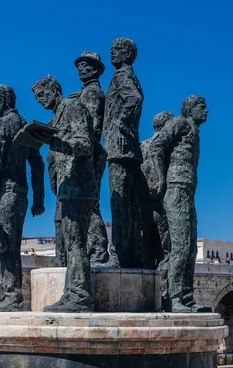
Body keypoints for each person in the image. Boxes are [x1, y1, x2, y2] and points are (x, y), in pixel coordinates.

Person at [31, 75, 96, 312]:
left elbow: (84, 144)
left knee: (76, 242)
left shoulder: (72, 107)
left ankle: (79, 296)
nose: (39, 101)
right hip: (68, 189)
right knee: (71, 242)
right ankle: (73, 293)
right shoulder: (57, 115)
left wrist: (53, 141)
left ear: (54, 89)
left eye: (41, 95)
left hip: (79, 186)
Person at [0, 85, 45, 312]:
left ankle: (12, 296)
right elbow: (37, 165)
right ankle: (13, 295)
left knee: (6, 247)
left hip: (6, 193)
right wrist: (39, 199)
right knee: (14, 244)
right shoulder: (26, 126)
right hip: (23, 194)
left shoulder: (1, 126)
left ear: (3, 100)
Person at [152, 95, 211, 313]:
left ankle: (186, 298)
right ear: (189, 109)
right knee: (180, 246)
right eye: (202, 107)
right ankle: (173, 298)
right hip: (175, 189)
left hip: (188, 191)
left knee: (191, 249)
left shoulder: (195, 132)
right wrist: (161, 178)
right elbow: (157, 146)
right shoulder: (179, 123)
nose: (207, 111)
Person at [103, 38, 144, 269]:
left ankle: (117, 255)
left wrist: (120, 122)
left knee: (118, 203)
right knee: (130, 206)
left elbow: (133, 99)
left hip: (119, 149)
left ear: (126, 53)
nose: (112, 53)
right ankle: (131, 254)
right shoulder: (132, 76)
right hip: (130, 150)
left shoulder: (120, 76)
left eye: (115, 50)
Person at [70, 51, 110, 265]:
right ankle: (93, 247)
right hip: (87, 151)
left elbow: (92, 125)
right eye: (79, 66)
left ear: (95, 69)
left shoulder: (93, 92)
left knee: (90, 203)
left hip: (89, 152)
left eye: (84, 65)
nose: (80, 69)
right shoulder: (83, 93)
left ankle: (98, 250)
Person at [140, 111, 174, 302]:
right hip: (163, 204)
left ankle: (145, 296)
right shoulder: (167, 148)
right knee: (166, 251)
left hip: (143, 205)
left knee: (146, 250)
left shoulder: (142, 146)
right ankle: (165, 295)